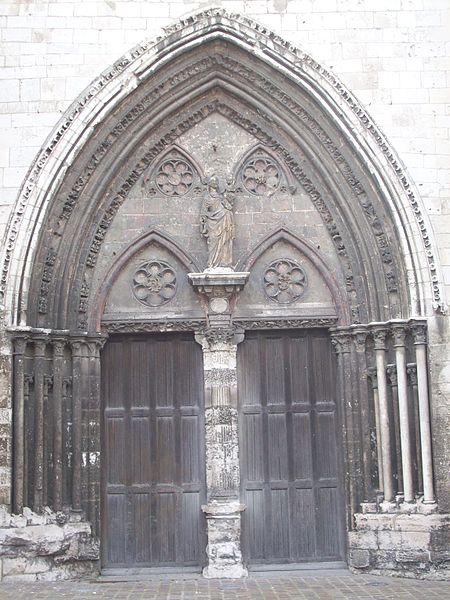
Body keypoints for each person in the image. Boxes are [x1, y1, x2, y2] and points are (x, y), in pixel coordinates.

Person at [200, 176, 235, 269]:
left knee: (225, 241)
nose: (215, 183)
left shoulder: (221, 197)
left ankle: (224, 262)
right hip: (212, 222)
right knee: (213, 242)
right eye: (213, 181)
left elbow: (229, 207)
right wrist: (204, 222)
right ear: (209, 184)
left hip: (223, 219)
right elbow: (203, 211)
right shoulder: (207, 197)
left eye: (216, 181)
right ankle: (212, 263)